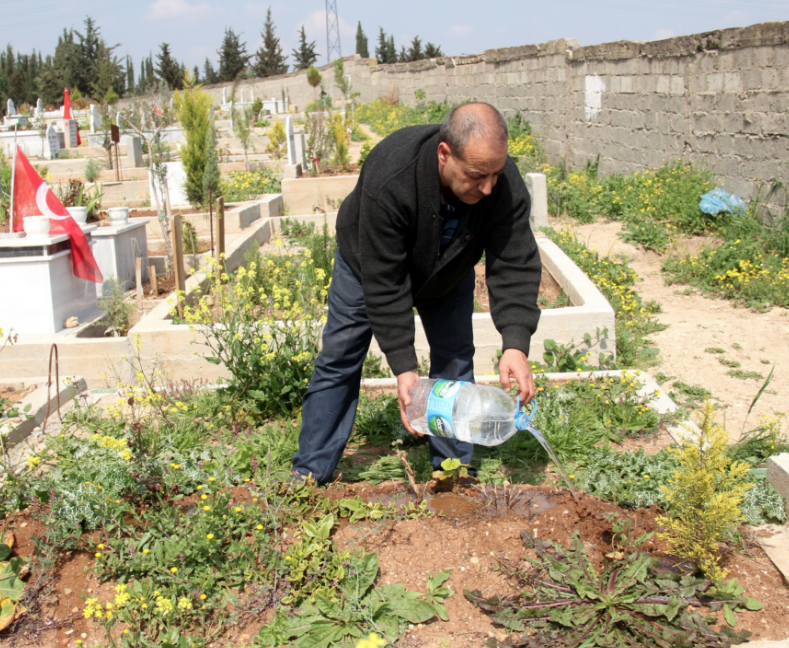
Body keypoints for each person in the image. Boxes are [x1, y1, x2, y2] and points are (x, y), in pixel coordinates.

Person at [291, 102, 542, 484]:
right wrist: (404, 368)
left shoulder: (502, 183)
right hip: (367, 265)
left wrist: (515, 343)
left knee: (454, 359)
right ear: (445, 154)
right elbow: (385, 280)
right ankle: (309, 474)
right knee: (340, 357)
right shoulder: (392, 174)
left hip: (448, 268)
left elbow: (515, 261)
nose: (489, 186)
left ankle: (453, 472)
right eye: (476, 175)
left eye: (494, 173)